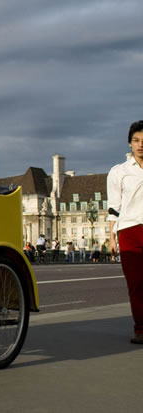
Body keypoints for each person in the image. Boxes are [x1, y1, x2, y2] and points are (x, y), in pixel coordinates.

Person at [107, 120, 143, 344]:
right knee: (136, 283)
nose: (141, 145)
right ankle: (140, 329)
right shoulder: (118, 172)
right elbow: (113, 207)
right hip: (129, 231)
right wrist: (111, 236)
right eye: (136, 141)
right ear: (129, 144)